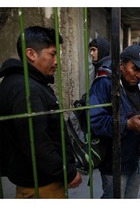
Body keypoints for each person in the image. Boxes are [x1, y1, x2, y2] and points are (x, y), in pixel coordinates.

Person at [0, 26, 82, 198]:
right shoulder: (26, 89)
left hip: (39, 181)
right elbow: (37, 144)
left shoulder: (26, 83)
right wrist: (67, 173)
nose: (56, 61)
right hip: (42, 186)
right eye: (52, 54)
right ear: (31, 54)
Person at [89, 44, 140, 198]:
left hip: (133, 161)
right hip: (114, 164)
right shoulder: (105, 84)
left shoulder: (139, 89)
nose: (138, 75)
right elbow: (95, 121)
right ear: (121, 66)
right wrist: (126, 124)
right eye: (135, 69)